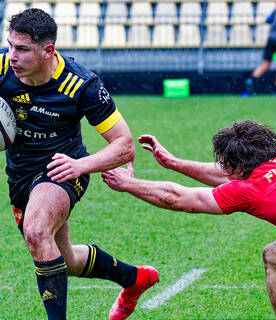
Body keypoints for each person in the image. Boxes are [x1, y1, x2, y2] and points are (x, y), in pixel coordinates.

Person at [1, 8, 158, 320]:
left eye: (21, 49)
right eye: (9, 46)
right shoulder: (3, 67)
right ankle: (135, 279)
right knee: (66, 260)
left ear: (48, 51)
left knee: (36, 232)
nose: (12, 56)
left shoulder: (81, 84)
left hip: (63, 169)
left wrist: (83, 165)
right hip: (19, 174)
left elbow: (124, 145)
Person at [103, 120, 276, 320]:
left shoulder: (252, 189)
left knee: (274, 255)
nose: (223, 170)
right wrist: (173, 163)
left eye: (226, 165)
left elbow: (177, 198)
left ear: (240, 168)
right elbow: (227, 175)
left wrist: (127, 183)